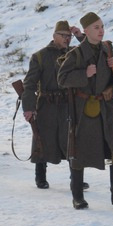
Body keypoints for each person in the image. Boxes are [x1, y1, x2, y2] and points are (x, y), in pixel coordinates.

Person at [58, 12, 113, 209]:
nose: (101, 30)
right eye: (96, 27)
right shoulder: (76, 54)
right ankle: (78, 196)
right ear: (86, 31)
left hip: (108, 107)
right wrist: (83, 74)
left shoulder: (107, 48)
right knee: (79, 152)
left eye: (102, 26)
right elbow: (62, 78)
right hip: (85, 110)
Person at [22, 20, 78, 190]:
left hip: (68, 104)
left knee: (71, 141)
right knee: (42, 139)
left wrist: (80, 36)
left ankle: (76, 178)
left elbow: (92, 51)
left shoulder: (75, 54)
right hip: (46, 105)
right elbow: (29, 84)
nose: (67, 38)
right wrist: (29, 107)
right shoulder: (40, 56)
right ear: (54, 36)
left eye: (69, 36)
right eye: (63, 35)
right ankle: (40, 177)